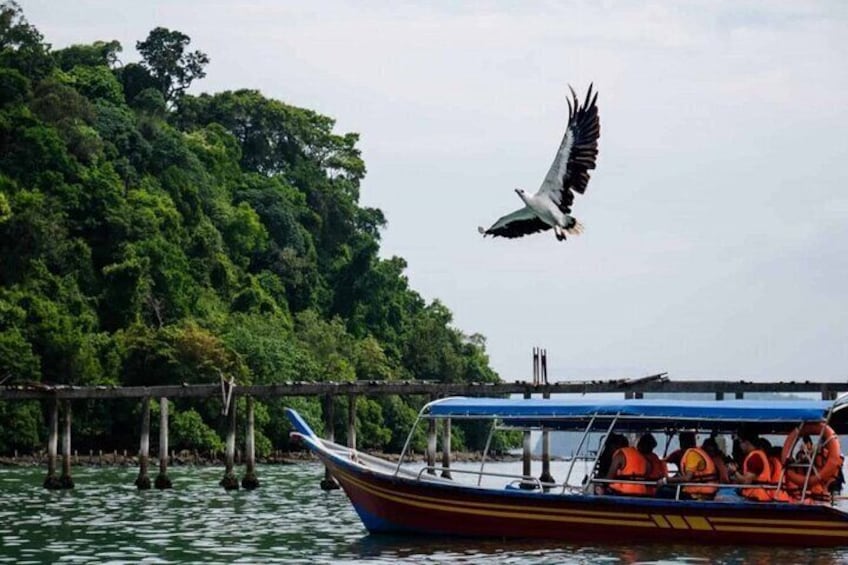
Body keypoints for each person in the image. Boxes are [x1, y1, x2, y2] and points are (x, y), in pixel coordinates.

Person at [729, 430, 784, 502]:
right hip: (756, 497)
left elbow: (746, 482)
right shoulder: (757, 455)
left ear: (747, 442)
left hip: (756, 498)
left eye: (740, 442)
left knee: (722, 498)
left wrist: (735, 471)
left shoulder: (755, 458)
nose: (740, 446)